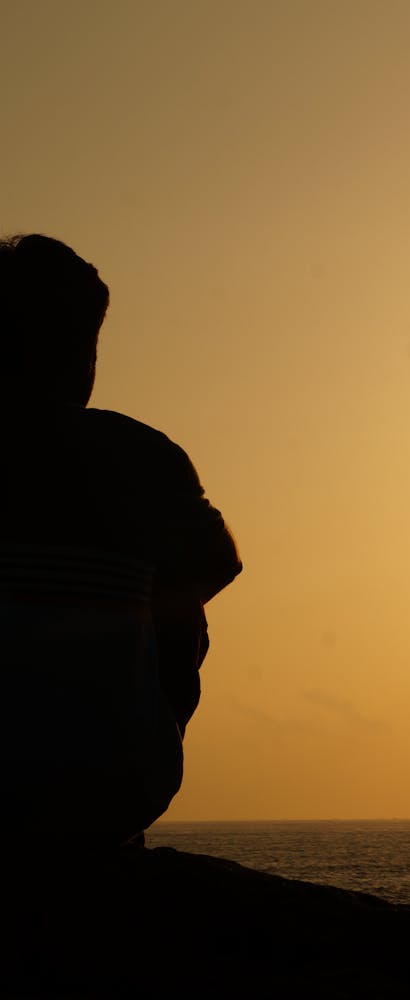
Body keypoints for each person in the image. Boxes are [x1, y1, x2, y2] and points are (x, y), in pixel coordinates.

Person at [0, 234, 242, 847]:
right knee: (178, 604)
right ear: (82, 354)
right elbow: (219, 566)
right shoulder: (142, 456)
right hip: (110, 788)